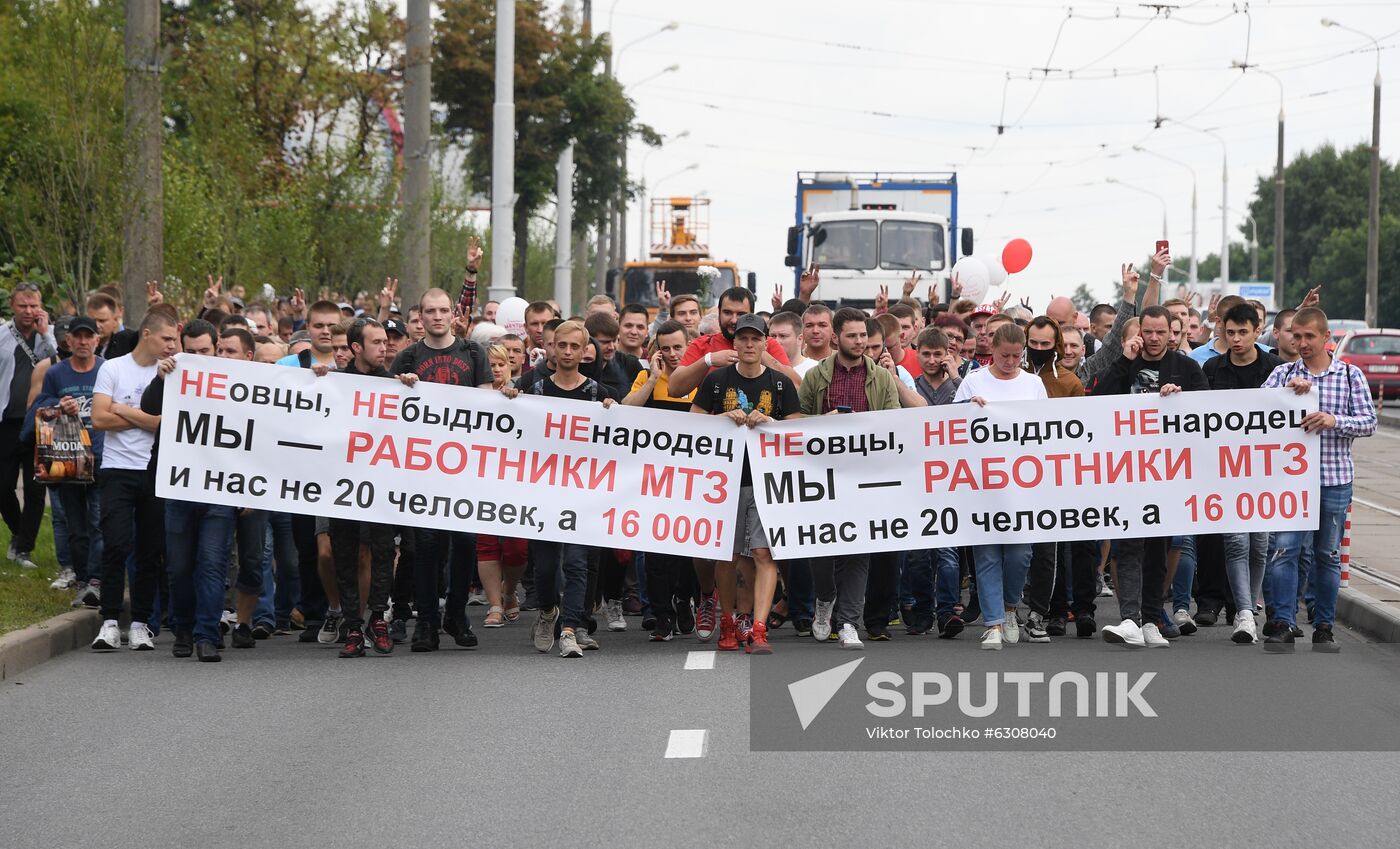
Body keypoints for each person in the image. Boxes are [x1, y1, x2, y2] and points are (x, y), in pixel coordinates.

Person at [1089, 306, 1208, 648]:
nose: (1154, 339)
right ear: (1140, 330)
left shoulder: (1186, 368)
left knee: (1159, 546)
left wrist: (1182, 400)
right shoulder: (1126, 363)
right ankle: (1130, 618)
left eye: (1161, 332)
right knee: (1128, 544)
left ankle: (1153, 616)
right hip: (1127, 471)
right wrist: (1125, 362)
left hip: (1170, 474)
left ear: (1172, 333)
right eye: (1148, 332)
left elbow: (1209, 412)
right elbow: (1096, 401)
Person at [1261, 307, 1376, 653]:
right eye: (1297, 336)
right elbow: (1254, 415)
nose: (1302, 343)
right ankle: (1282, 622)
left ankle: (1323, 626)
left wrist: (1333, 420)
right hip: (1290, 481)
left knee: (1327, 554)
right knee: (1284, 550)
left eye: (1309, 336)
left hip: (1333, 478)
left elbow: (1369, 422)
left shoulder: (1350, 376)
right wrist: (1284, 395)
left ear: (1327, 338)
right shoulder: (1282, 374)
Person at [503, 320, 615, 658]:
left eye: (574, 347)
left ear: (584, 352)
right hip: (544, 494)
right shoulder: (534, 388)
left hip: (583, 493)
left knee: (578, 564)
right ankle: (548, 611)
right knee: (547, 566)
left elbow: (615, 443)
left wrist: (612, 415)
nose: (567, 352)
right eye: (561, 345)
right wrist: (508, 395)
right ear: (552, 347)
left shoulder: (598, 393)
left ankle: (568, 630)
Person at [390, 288, 493, 652]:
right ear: (420, 316)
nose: (437, 316)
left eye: (443, 310)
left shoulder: (473, 352)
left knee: (464, 542)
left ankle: (457, 615)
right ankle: (427, 624)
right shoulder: (407, 357)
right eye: (430, 311)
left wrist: (505, 396)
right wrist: (401, 390)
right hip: (421, 468)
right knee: (425, 546)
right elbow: (387, 413)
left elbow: (486, 407)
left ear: (453, 314)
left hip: (463, 467)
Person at [692, 314, 801, 654]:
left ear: (766, 343)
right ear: (734, 344)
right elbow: (693, 422)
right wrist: (720, 419)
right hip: (726, 481)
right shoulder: (717, 380)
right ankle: (728, 621)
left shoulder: (780, 383)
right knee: (725, 554)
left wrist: (771, 421)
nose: (750, 345)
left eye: (756, 339)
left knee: (763, 552)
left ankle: (758, 627)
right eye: (744, 339)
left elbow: (797, 429)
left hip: (767, 482)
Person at [798, 308, 900, 649]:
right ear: (836, 338)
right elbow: (797, 425)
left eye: (863, 336)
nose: (859, 342)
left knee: (859, 550)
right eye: (852, 335)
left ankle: (849, 623)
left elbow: (894, 427)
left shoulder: (881, 378)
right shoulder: (816, 377)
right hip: (823, 476)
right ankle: (825, 601)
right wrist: (822, 422)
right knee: (820, 547)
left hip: (865, 476)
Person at [953, 323, 1048, 649]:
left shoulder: (1034, 383)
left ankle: (1010, 607)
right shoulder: (973, 381)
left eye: (1016, 356)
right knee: (987, 554)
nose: (1010, 361)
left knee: (1020, 554)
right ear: (991, 350)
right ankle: (993, 622)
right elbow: (949, 428)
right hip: (982, 482)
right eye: (1004, 355)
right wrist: (967, 410)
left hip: (1023, 485)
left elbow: (1048, 430)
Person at [89, 309, 178, 652]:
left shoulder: (171, 372)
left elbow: (164, 423)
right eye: (167, 338)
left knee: (149, 550)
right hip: (117, 469)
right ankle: (110, 620)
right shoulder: (112, 368)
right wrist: (144, 417)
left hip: (155, 469)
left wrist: (122, 409)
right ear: (146, 334)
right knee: (116, 544)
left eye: (174, 339)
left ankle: (141, 623)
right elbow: (98, 418)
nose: (172, 345)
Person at [318, 318, 403, 658]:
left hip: (382, 484)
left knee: (383, 552)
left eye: (386, 341)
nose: (385, 347)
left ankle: (378, 619)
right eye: (377, 342)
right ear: (356, 348)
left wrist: (409, 388)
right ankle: (353, 625)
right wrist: (310, 383)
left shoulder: (393, 383)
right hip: (341, 484)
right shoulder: (335, 383)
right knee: (345, 553)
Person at [1203, 303, 1284, 645]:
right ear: (1221, 330)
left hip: (1265, 469)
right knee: (1236, 540)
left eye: (1243, 332)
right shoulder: (1211, 368)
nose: (1235, 339)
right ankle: (1245, 612)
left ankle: (1250, 604)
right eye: (1230, 332)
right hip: (1225, 469)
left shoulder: (1275, 368)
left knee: (1260, 542)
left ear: (1257, 331)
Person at [623, 320, 702, 640]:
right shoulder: (645, 377)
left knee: (688, 552)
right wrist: (653, 378)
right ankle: (662, 614)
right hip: (653, 478)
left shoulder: (700, 378)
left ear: (689, 346)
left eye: (677, 347)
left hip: (692, 477)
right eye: (664, 347)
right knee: (655, 550)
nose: (671, 354)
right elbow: (627, 411)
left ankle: (683, 601)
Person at [31, 315, 104, 604]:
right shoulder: (56, 373)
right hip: (67, 460)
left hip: (100, 457)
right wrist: (58, 405)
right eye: (78, 336)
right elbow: (40, 405)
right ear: (68, 341)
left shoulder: (107, 370)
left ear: (97, 340)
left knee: (98, 521)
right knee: (76, 526)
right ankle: (83, 580)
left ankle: (97, 581)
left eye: (89, 336)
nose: (83, 342)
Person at [2, 283, 57, 570]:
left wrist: (45, 333)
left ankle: (24, 548)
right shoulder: (2, 335)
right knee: (3, 485)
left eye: (34, 305)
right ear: (13, 306)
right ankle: (17, 529)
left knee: (36, 489)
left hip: (41, 423)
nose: (29, 311)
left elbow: (61, 361)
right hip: (7, 422)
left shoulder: (49, 335)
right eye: (23, 306)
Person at [667, 287, 796, 398]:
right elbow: (674, 389)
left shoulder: (769, 344)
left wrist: (758, 353)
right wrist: (708, 360)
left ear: (751, 315)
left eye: (741, 314)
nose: (734, 320)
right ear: (719, 312)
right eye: (727, 313)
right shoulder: (703, 344)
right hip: (714, 424)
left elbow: (798, 389)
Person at [768, 311, 815, 378]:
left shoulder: (815, 369)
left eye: (783, 336)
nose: (776, 341)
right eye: (773, 336)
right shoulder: (762, 369)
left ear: (800, 339)